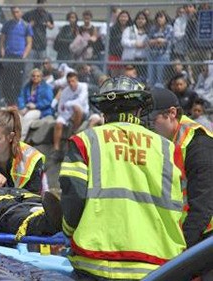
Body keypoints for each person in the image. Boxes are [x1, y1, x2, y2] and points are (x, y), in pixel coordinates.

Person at [61, 76, 186, 280]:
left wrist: (67, 230)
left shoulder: (85, 141)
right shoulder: (167, 149)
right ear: (139, 110)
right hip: (157, 265)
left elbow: (73, 196)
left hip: (97, 261)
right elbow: (179, 205)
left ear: (103, 110)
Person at [148, 87, 213, 248]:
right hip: (183, 233)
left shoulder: (198, 145)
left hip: (203, 238)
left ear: (171, 113)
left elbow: (203, 206)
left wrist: (181, 252)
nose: (146, 128)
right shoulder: (164, 140)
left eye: (151, 121)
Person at [0, 6, 33, 106]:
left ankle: (17, 102)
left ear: (21, 12)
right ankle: (8, 101)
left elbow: (29, 43)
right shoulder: (7, 25)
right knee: (7, 80)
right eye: (13, 12)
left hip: (19, 57)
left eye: (17, 12)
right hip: (9, 56)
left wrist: (24, 55)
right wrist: (2, 54)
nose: (15, 14)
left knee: (18, 81)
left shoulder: (26, 25)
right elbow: (2, 41)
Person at [52, 71, 89, 160]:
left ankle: (74, 131)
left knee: (76, 108)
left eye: (73, 81)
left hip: (82, 112)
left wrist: (68, 104)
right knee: (58, 123)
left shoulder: (83, 87)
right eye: (69, 82)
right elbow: (61, 107)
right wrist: (66, 111)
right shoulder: (65, 91)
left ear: (77, 80)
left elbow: (80, 101)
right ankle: (56, 149)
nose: (71, 83)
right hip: (67, 114)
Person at [18, 68, 54, 140]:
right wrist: (22, 107)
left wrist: (36, 105)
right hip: (27, 108)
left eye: (38, 76)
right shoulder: (27, 87)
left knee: (28, 117)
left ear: (41, 77)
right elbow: (21, 97)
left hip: (40, 110)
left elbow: (49, 101)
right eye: (33, 76)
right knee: (17, 116)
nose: (35, 78)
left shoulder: (46, 87)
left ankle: (20, 139)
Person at [22, 0, 54, 71]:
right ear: (37, 4)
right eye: (41, 3)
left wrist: (49, 25)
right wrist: (29, 25)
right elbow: (21, 23)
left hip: (42, 45)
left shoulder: (48, 15)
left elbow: (52, 26)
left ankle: (38, 82)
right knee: (28, 68)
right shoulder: (30, 14)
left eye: (44, 3)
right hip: (31, 46)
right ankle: (27, 82)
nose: (42, 5)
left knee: (40, 68)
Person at [147, 10, 173, 88]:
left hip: (163, 55)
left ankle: (160, 93)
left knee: (160, 77)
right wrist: (158, 40)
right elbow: (149, 41)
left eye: (161, 17)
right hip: (152, 55)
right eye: (158, 17)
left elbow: (167, 41)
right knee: (151, 76)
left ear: (165, 18)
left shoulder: (169, 28)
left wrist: (157, 41)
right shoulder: (153, 28)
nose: (159, 19)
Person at [121, 11, 149, 81]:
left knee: (142, 78)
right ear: (135, 20)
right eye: (139, 19)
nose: (140, 21)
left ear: (146, 20)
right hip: (130, 59)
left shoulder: (149, 31)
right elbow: (123, 42)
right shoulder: (129, 29)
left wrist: (145, 45)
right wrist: (135, 43)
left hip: (143, 59)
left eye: (143, 19)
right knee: (130, 79)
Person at [108, 10, 133, 77]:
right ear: (118, 18)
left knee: (124, 76)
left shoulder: (131, 29)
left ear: (128, 18)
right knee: (114, 76)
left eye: (125, 17)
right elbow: (110, 43)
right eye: (121, 16)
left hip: (126, 56)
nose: (123, 18)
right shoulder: (113, 29)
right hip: (115, 55)